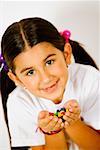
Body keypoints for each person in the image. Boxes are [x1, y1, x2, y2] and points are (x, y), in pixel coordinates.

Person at [0, 17, 100, 150]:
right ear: (16, 79)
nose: (46, 78)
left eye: (49, 62)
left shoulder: (89, 79)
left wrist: (73, 123)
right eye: (30, 72)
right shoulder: (19, 102)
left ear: (66, 54)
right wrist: (52, 132)